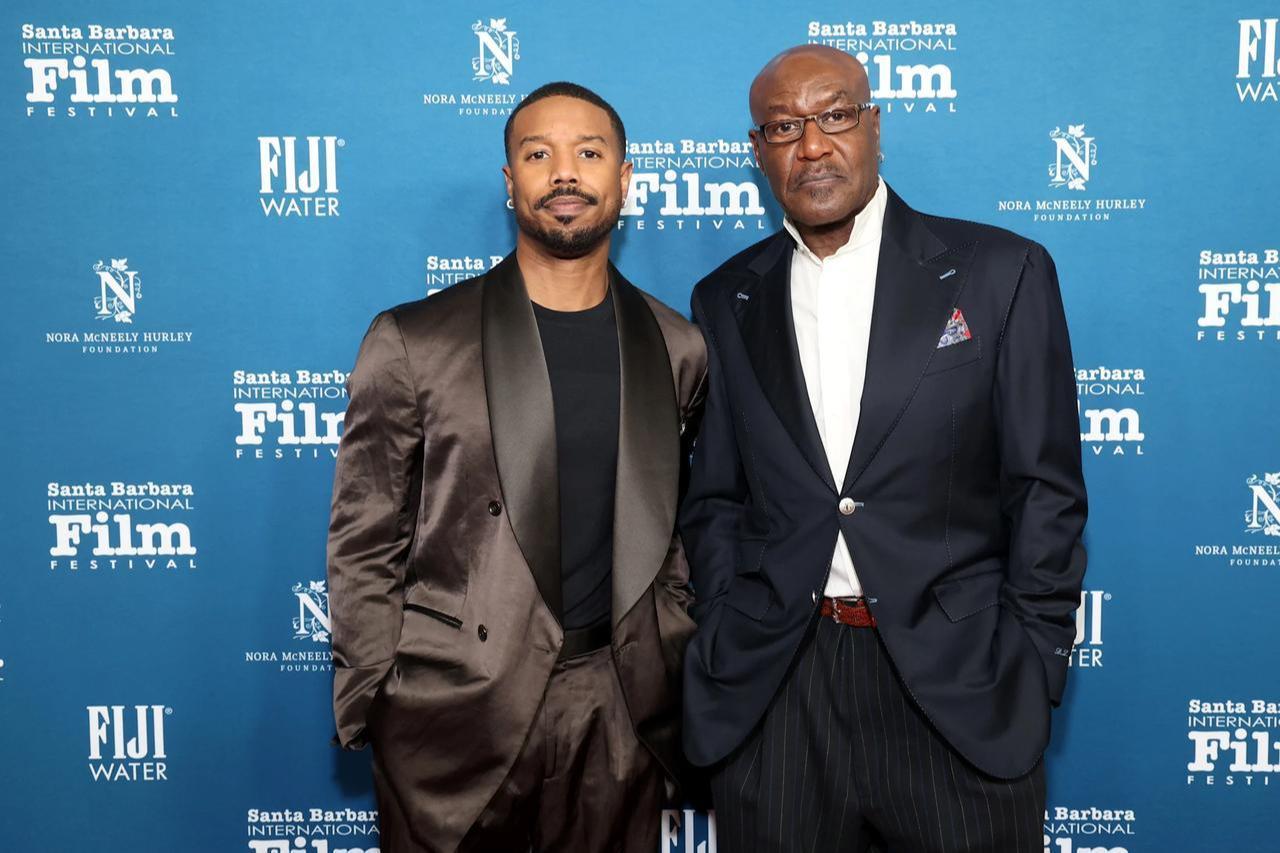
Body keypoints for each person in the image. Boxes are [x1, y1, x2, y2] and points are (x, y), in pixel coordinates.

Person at [680, 45, 1088, 852]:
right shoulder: (726, 297)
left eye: (835, 116)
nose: (813, 145)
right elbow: (717, 498)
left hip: (958, 686)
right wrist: (727, 623)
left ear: (874, 126)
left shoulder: (998, 272)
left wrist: (1030, 656)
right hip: (780, 688)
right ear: (758, 152)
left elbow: (1045, 488)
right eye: (784, 127)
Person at [327, 81, 706, 853]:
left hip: (619, 710)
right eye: (539, 154)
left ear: (624, 177)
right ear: (511, 183)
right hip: (452, 711)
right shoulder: (414, 340)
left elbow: (678, 528)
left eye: (588, 153)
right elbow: (364, 536)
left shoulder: (678, 347)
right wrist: (380, 699)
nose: (564, 173)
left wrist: (670, 658)